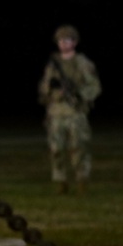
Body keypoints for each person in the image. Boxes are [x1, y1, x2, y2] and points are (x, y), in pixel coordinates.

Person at [37, 24, 101, 195]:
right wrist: (51, 91)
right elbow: (44, 87)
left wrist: (79, 94)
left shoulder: (83, 63)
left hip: (75, 111)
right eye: (60, 40)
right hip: (56, 110)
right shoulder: (53, 64)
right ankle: (60, 181)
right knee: (56, 149)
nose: (63, 43)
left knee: (79, 147)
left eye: (67, 40)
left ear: (75, 42)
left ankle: (82, 181)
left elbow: (94, 87)